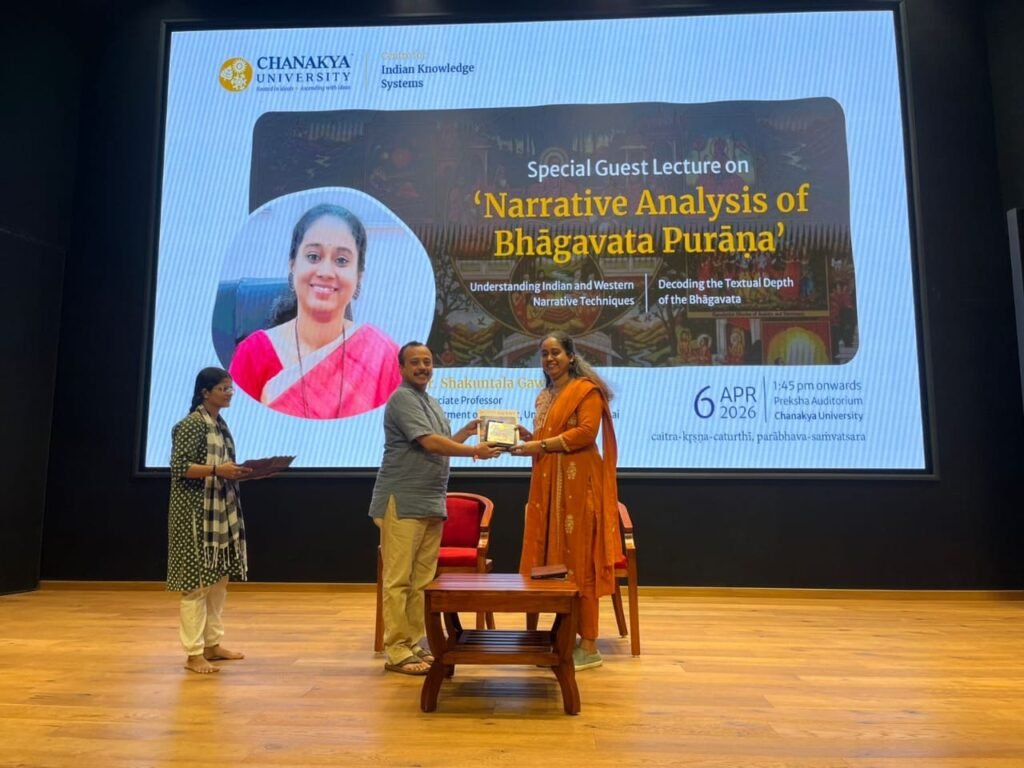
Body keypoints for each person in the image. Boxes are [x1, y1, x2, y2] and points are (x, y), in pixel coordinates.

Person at [368, 342, 502, 675]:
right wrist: (474, 450)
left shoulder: (431, 401)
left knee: (422, 580)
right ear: (401, 368)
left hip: (431, 501)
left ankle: (413, 643)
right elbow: (429, 443)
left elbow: (440, 444)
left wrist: (465, 433)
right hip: (403, 500)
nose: (423, 367)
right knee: (398, 580)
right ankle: (396, 650)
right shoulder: (401, 399)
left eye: (427, 361)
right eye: (415, 362)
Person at [511, 332, 622, 671]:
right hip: (550, 492)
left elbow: (585, 434)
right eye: (544, 354)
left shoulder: (586, 390)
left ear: (571, 356)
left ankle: (589, 645)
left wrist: (540, 446)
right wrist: (528, 438)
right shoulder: (546, 395)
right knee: (556, 561)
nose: (549, 359)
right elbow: (548, 438)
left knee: (581, 562)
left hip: (579, 488)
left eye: (556, 352)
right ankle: (568, 635)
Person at [230, 203, 400, 419]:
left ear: (359, 276)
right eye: (313, 257)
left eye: (341, 260)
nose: (326, 272)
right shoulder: (252, 355)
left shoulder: (383, 356)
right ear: (293, 265)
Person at [167, 367, 253, 674]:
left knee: (218, 581)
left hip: (220, 509)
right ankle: (193, 653)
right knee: (196, 584)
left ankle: (212, 644)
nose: (229, 394)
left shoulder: (220, 425)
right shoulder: (191, 424)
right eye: (223, 389)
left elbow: (220, 465)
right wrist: (218, 471)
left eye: (231, 388)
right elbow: (179, 467)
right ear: (205, 392)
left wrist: (238, 471)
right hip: (195, 512)